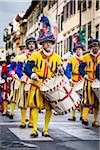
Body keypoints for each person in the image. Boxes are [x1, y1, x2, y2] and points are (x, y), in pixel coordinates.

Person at [24, 15, 63, 138]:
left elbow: (63, 71)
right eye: (46, 42)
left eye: (50, 42)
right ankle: (34, 129)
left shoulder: (57, 57)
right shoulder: (35, 55)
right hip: (37, 84)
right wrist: (33, 74)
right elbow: (27, 68)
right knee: (35, 107)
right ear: (42, 44)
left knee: (49, 108)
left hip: (50, 85)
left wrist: (61, 70)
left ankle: (45, 130)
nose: (48, 44)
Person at [16, 39, 37, 128]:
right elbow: (18, 69)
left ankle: (31, 121)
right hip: (24, 80)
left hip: (34, 81)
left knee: (33, 102)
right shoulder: (22, 57)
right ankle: (23, 121)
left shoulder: (38, 56)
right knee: (23, 102)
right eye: (30, 44)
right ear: (27, 46)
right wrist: (21, 77)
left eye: (33, 44)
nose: (31, 45)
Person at [79, 39, 99, 128]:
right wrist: (85, 75)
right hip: (88, 80)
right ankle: (85, 118)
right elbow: (80, 68)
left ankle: (95, 121)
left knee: (97, 101)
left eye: (97, 46)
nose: (96, 48)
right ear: (91, 47)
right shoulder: (85, 57)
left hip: (98, 80)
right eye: (94, 46)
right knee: (87, 99)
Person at [65, 44, 84, 121]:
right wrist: (69, 78)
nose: (78, 51)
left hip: (82, 80)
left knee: (83, 98)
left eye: (80, 49)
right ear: (75, 51)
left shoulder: (84, 59)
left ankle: (82, 115)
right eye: (77, 49)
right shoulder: (71, 59)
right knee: (74, 98)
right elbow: (68, 70)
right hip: (74, 80)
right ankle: (73, 115)